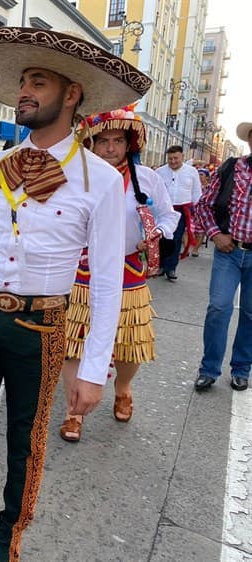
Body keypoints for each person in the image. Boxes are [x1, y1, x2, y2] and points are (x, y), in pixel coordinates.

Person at [0, 27, 151, 562]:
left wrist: (93, 369)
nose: (24, 91)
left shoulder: (101, 182)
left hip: (41, 329)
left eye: (37, 82)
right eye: (22, 81)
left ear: (71, 95)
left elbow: (109, 281)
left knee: (26, 446)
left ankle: (6, 545)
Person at [58, 105, 179, 442]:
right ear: (92, 145)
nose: (110, 147)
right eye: (103, 141)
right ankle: (73, 411)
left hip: (127, 269)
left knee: (130, 342)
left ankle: (122, 388)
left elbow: (170, 217)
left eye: (117, 141)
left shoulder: (148, 179)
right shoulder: (77, 177)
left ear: (129, 145)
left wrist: (153, 235)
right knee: (73, 343)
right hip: (82, 270)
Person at [193, 122, 252, 393]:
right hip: (229, 251)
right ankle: (209, 369)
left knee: (251, 314)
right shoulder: (232, 167)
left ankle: (241, 369)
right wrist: (216, 234)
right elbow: (204, 204)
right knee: (218, 308)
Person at [156, 145, 202, 280]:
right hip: (164, 210)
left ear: (182, 156)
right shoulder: (159, 172)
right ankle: (161, 265)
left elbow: (196, 192)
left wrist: (197, 211)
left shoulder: (192, 172)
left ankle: (171, 268)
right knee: (162, 238)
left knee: (176, 239)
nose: (173, 161)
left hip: (183, 210)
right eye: (170, 158)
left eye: (176, 158)